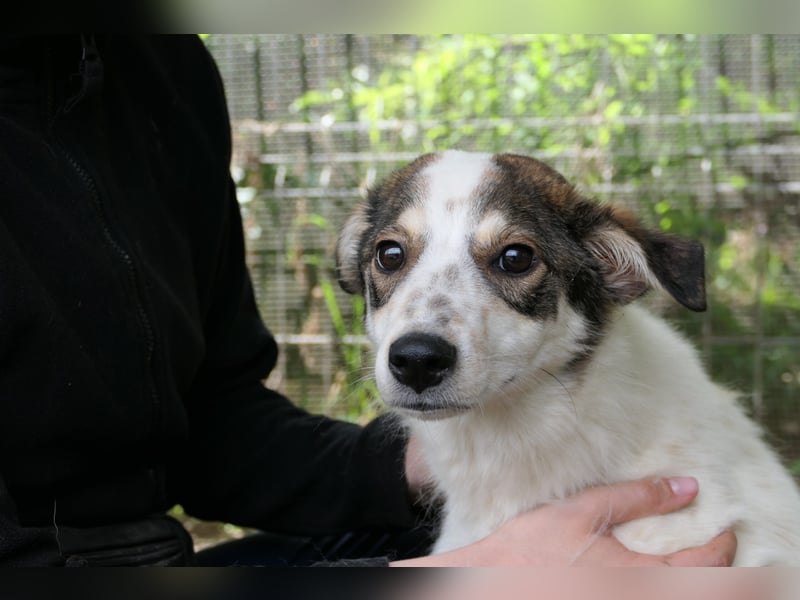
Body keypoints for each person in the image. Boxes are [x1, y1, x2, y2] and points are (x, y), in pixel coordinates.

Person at [0, 34, 736, 567]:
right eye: (392, 255)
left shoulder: (157, 65)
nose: (421, 330)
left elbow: (214, 422)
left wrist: (406, 468)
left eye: (512, 259)